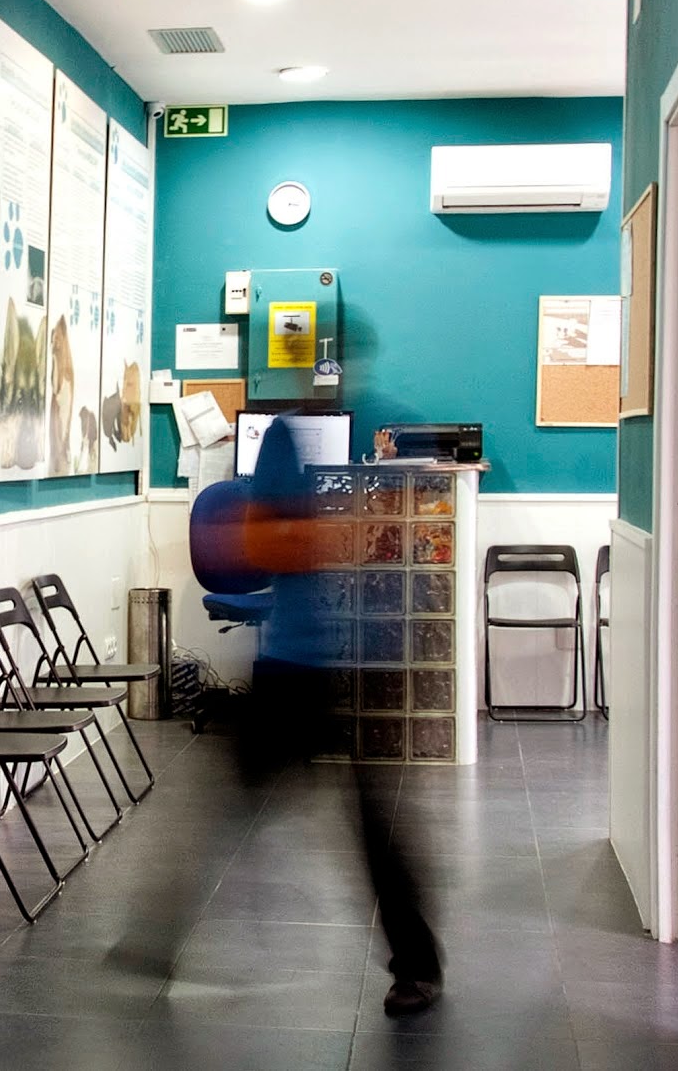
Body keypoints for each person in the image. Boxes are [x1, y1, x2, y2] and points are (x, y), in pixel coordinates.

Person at [237, 415, 445, 1016]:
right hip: (296, 660)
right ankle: (156, 939)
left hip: (362, 662)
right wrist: (331, 536)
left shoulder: (382, 428)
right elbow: (261, 547)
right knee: (228, 806)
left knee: (378, 823)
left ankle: (416, 965)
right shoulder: (282, 439)